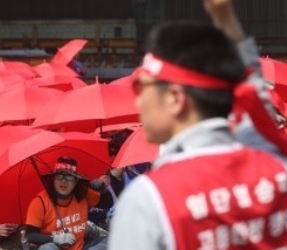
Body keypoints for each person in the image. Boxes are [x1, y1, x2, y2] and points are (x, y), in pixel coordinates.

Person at [108, 0, 287, 249]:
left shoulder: (149, 200)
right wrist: (223, 14)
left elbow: (249, 83)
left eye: (141, 87)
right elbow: (250, 85)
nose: (137, 100)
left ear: (175, 98)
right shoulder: (276, 161)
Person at [25, 156, 107, 250]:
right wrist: (55, 239)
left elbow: (107, 203)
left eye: (69, 177)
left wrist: (102, 187)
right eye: (59, 176)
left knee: (110, 241)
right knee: (47, 248)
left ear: (76, 181)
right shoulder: (40, 201)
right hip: (55, 247)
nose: (64, 181)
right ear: (53, 179)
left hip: (81, 248)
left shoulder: (82, 193)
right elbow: (30, 235)